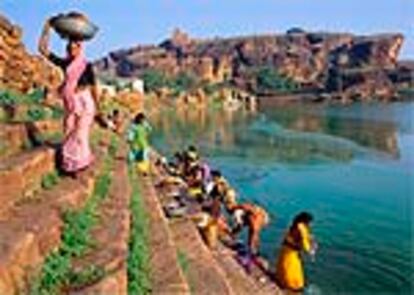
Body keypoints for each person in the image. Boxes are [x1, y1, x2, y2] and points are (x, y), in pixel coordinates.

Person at [38, 16, 99, 177]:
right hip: (71, 104)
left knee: (80, 134)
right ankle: (71, 164)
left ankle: (78, 165)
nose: (72, 49)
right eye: (70, 47)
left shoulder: (86, 65)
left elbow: (93, 88)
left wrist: (99, 109)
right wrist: (47, 28)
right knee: (69, 130)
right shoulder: (65, 64)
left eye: (75, 46)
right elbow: (42, 50)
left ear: (80, 48)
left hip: (85, 104)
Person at [275, 211, 317, 292]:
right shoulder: (301, 227)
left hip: (285, 249)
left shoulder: (295, 224)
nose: (311, 224)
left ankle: (282, 280)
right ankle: (292, 286)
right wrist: (311, 251)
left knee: (285, 266)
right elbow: (305, 245)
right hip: (291, 252)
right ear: (306, 221)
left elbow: (295, 236)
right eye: (310, 222)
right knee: (292, 270)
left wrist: (309, 237)